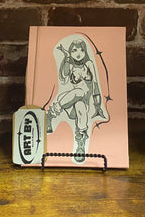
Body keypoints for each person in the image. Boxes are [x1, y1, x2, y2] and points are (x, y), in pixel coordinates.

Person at [46, 36, 108, 164]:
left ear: (85, 51)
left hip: (83, 104)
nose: (78, 53)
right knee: (78, 93)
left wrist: (98, 105)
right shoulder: (70, 65)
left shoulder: (89, 64)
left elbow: (95, 84)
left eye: (81, 50)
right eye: (74, 50)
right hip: (68, 102)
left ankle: (80, 145)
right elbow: (64, 74)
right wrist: (67, 57)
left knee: (80, 104)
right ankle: (50, 116)